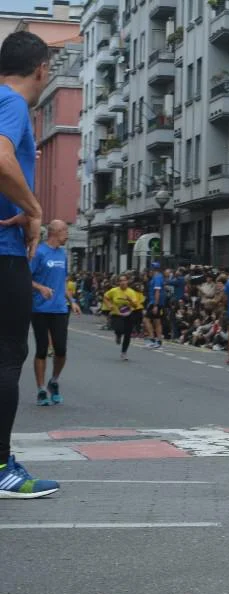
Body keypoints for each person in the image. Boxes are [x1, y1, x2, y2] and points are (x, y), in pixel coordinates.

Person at [0, 30, 60, 498]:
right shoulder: (12, 103)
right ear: (41, 69)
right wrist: (35, 209)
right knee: (7, 355)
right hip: (4, 252)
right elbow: (1, 158)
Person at [30, 219, 79, 405]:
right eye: (65, 230)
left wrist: (72, 301)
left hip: (59, 308)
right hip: (40, 308)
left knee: (61, 349)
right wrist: (40, 288)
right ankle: (41, 389)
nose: (67, 234)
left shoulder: (62, 254)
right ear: (55, 232)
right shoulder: (39, 252)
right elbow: (26, 277)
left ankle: (54, 381)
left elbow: (63, 282)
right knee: (42, 349)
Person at [104, 274, 144, 360]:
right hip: (117, 314)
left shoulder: (131, 292)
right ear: (118, 282)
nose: (122, 282)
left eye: (124, 280)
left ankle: (124, 352)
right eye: (120, 281)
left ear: (127, 281)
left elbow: (135, 305)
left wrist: (130, 300)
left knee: (128, 334)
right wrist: (109, 305)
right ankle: (118, 335)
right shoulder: (114, 291)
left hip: (128, 314)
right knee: (119, 329)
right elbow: (106, 297)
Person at [143, 261, 164, 348]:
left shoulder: (157, 278)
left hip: (155, 302)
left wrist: (155, 305)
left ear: (153, 270)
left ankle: (153, 339)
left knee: (146, 319)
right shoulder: (156, 277)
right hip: (155, 302)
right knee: (156, 321)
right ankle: (158, 341)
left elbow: (157, 291)